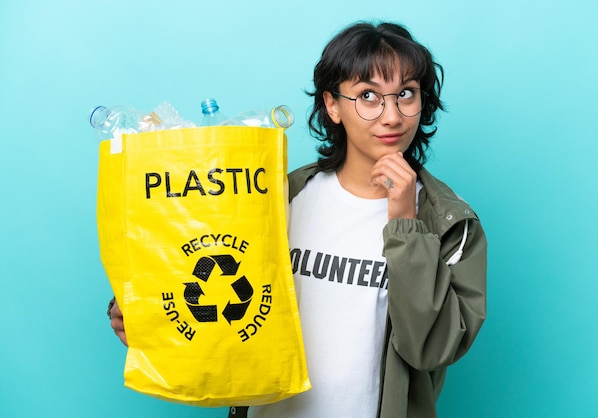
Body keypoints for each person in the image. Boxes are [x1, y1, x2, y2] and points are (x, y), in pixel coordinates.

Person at [108, 20, 487, 418]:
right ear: (332, 105)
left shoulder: (450, 222)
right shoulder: (279, 196)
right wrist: (142, 313)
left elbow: (431, 348)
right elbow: (204, 267)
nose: (391, 116)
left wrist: (404, 223)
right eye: (368, 96)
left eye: (406, 94)